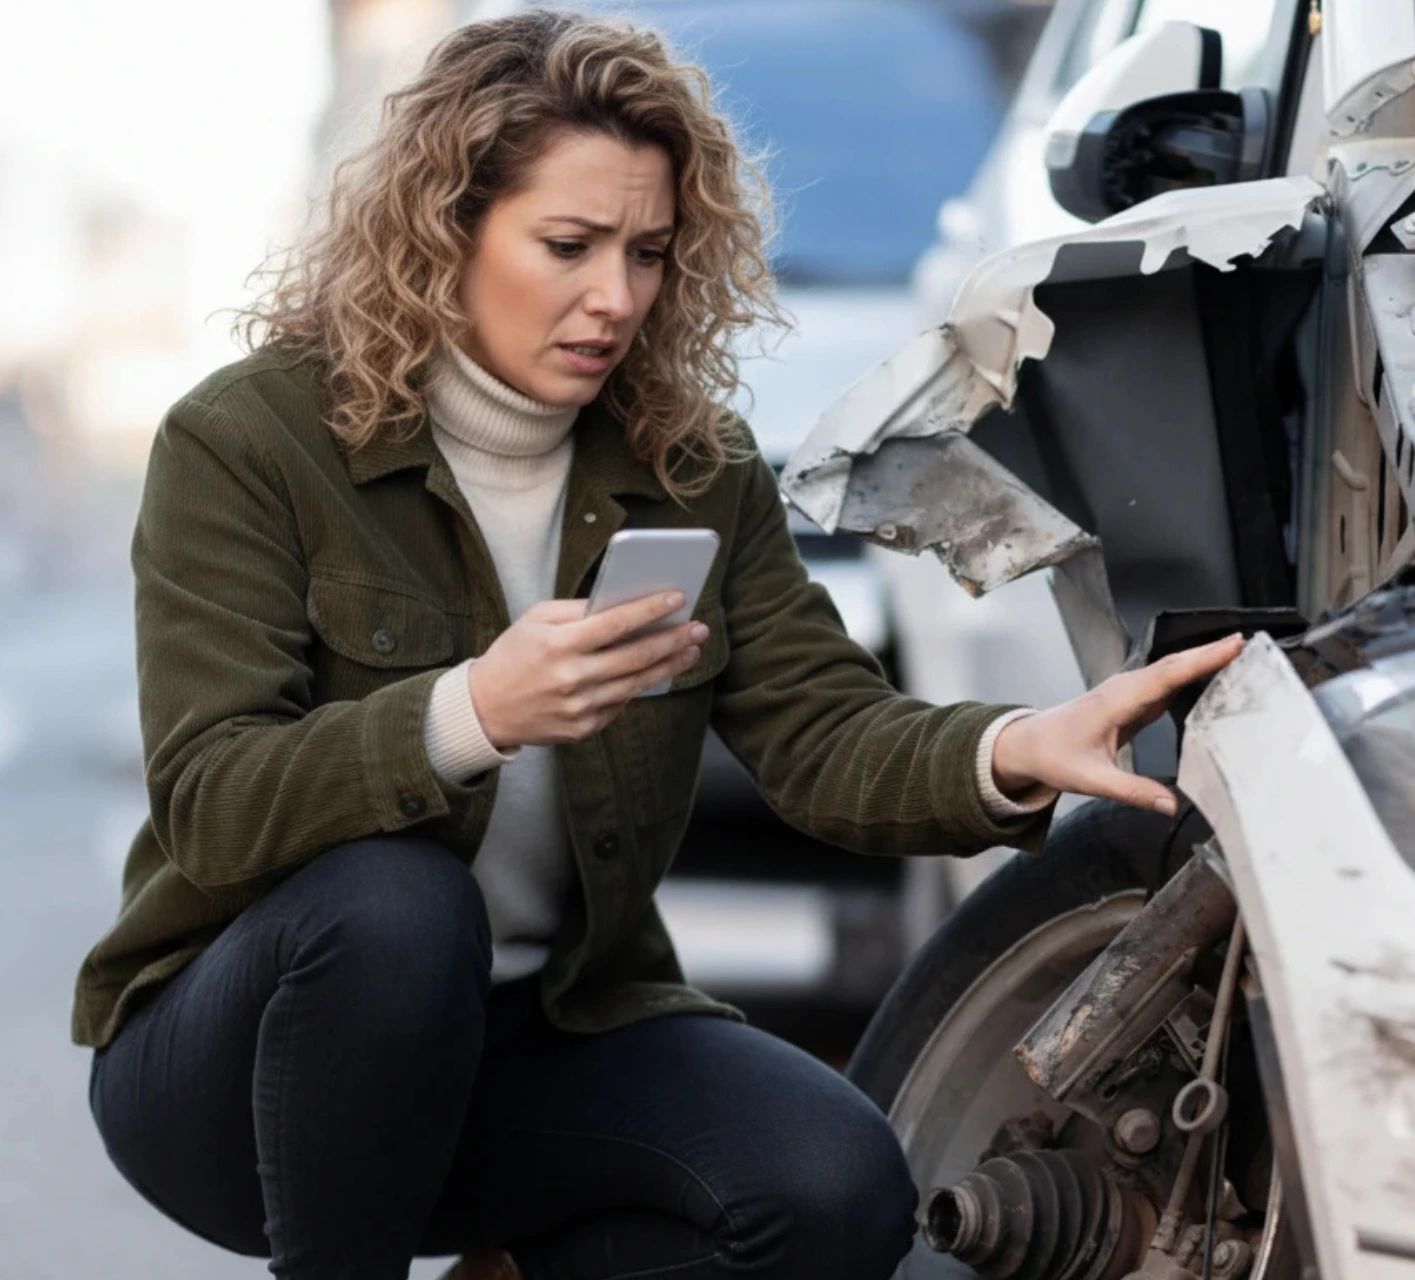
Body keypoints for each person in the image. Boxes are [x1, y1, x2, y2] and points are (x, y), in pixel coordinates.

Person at [73, 11, 1243, 1280]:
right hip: (246, 1070)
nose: (615, 297)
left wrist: (1015, 747)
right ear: (442, 231)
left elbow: (818, 727)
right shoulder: (247, 442)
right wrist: (472, 709)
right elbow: (212, 802)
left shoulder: (693, 462)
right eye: (567, 245)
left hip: (540, 1031)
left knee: (836, 1188)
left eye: (648, 252)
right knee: (400, 905)